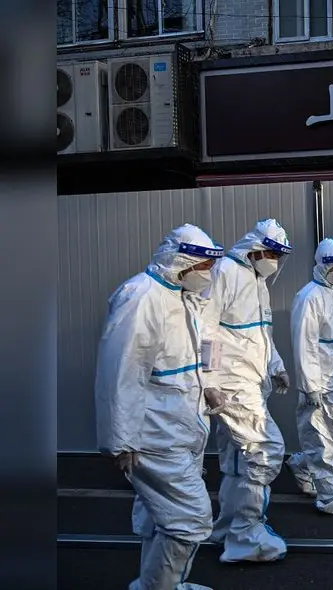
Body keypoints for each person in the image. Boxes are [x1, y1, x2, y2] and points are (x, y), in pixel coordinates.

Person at [94, 223, 224, 590]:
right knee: (190, 520)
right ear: (182, 262)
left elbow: (196, 351)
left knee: (161, 518)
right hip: (154, 435)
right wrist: (121, 440)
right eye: (205, 267)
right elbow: (121, 371)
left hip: (179, 429)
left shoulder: (181, 298)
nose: (209, 275)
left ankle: (160, 585)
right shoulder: (141, 297)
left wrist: (210, 386)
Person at [199, 219, 293, 563]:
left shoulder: (256, 280)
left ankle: (225, 529)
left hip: (251, 380)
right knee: (265, 449)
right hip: (231, 383)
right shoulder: (225, 271)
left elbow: (260, 332)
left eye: (279, 255)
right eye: (270, 252)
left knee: (238, 459)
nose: (274, 260)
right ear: (254, 247)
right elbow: (204, 328)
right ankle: (246, 534)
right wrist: (209, 383)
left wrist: (276, 364)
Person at [284, 238, 333, 514]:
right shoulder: (309, 297)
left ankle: (303, 464)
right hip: (323, 383)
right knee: (321, 439)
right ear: (321, 266)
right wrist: (310, 386)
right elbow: (303, 344)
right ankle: (330, 496)